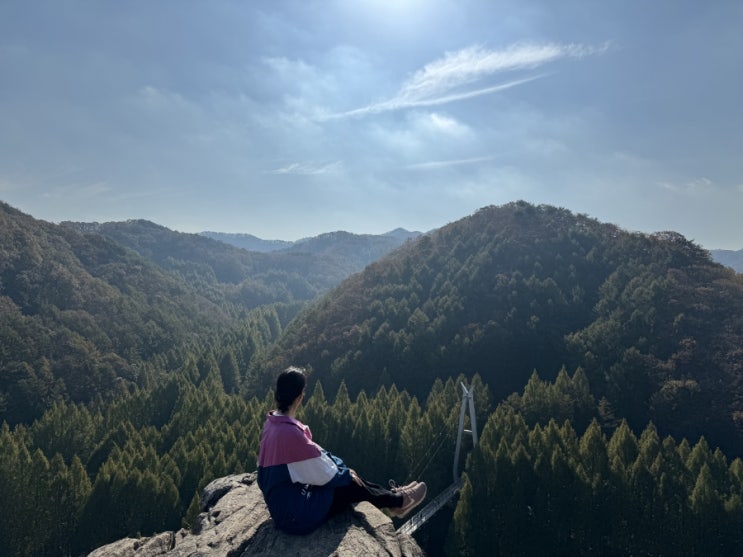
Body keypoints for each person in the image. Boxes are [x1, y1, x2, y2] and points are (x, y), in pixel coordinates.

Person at [257, 366, 427, 535]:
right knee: (350, 484)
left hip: (285, 506)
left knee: (348, 478)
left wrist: (343, 471)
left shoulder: (273, 424)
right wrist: (345, 473)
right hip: (296, 515)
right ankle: (398, 501)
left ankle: (395, 500)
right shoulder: (289, 434)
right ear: (300, 396)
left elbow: (317, 453)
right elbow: (325, 472)